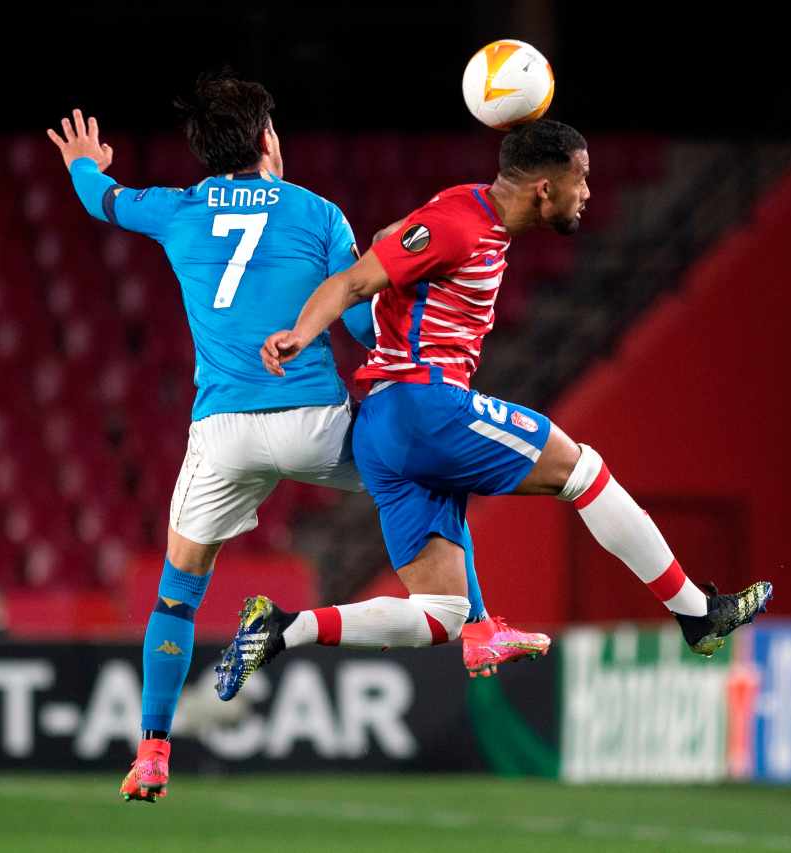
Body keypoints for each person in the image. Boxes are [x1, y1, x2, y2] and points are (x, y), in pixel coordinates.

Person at [46, 75, 545, 803]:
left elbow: (103, 199)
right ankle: (475, 627)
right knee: (433, 472)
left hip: (222, 434)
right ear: (265, 141)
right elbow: (354, 321)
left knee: (177, 596)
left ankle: (152, 751)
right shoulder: (318, 215)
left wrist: (83, 163)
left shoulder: (177, 210)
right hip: (313, 422)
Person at [218, 120, 772, 700]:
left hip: (383, 432)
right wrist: (300, 334)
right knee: (583, 471)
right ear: (543, 189)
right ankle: (697, 613)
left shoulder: (463, 209)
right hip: (424, 404)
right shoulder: (460, 223)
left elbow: (392, 239)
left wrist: (395, 245)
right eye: (580, 180)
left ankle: (284, 628)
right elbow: (357, 282)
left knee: (440, 614)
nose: (588, 193)